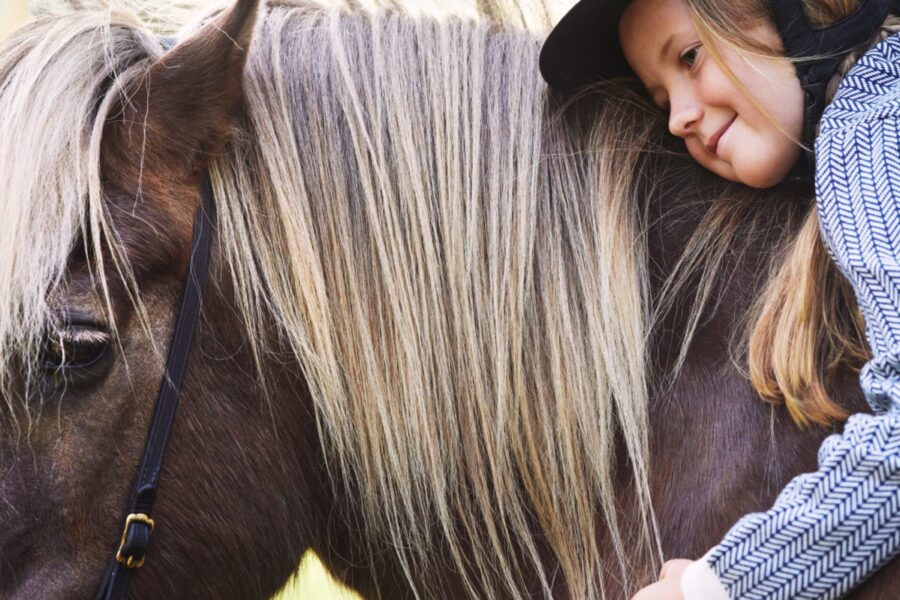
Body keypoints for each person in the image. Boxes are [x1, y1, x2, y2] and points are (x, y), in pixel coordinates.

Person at [541, 0, 900, 598]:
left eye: (690, 56)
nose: (679, 118)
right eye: (662, 100)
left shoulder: (869, 128)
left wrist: (722, 585)